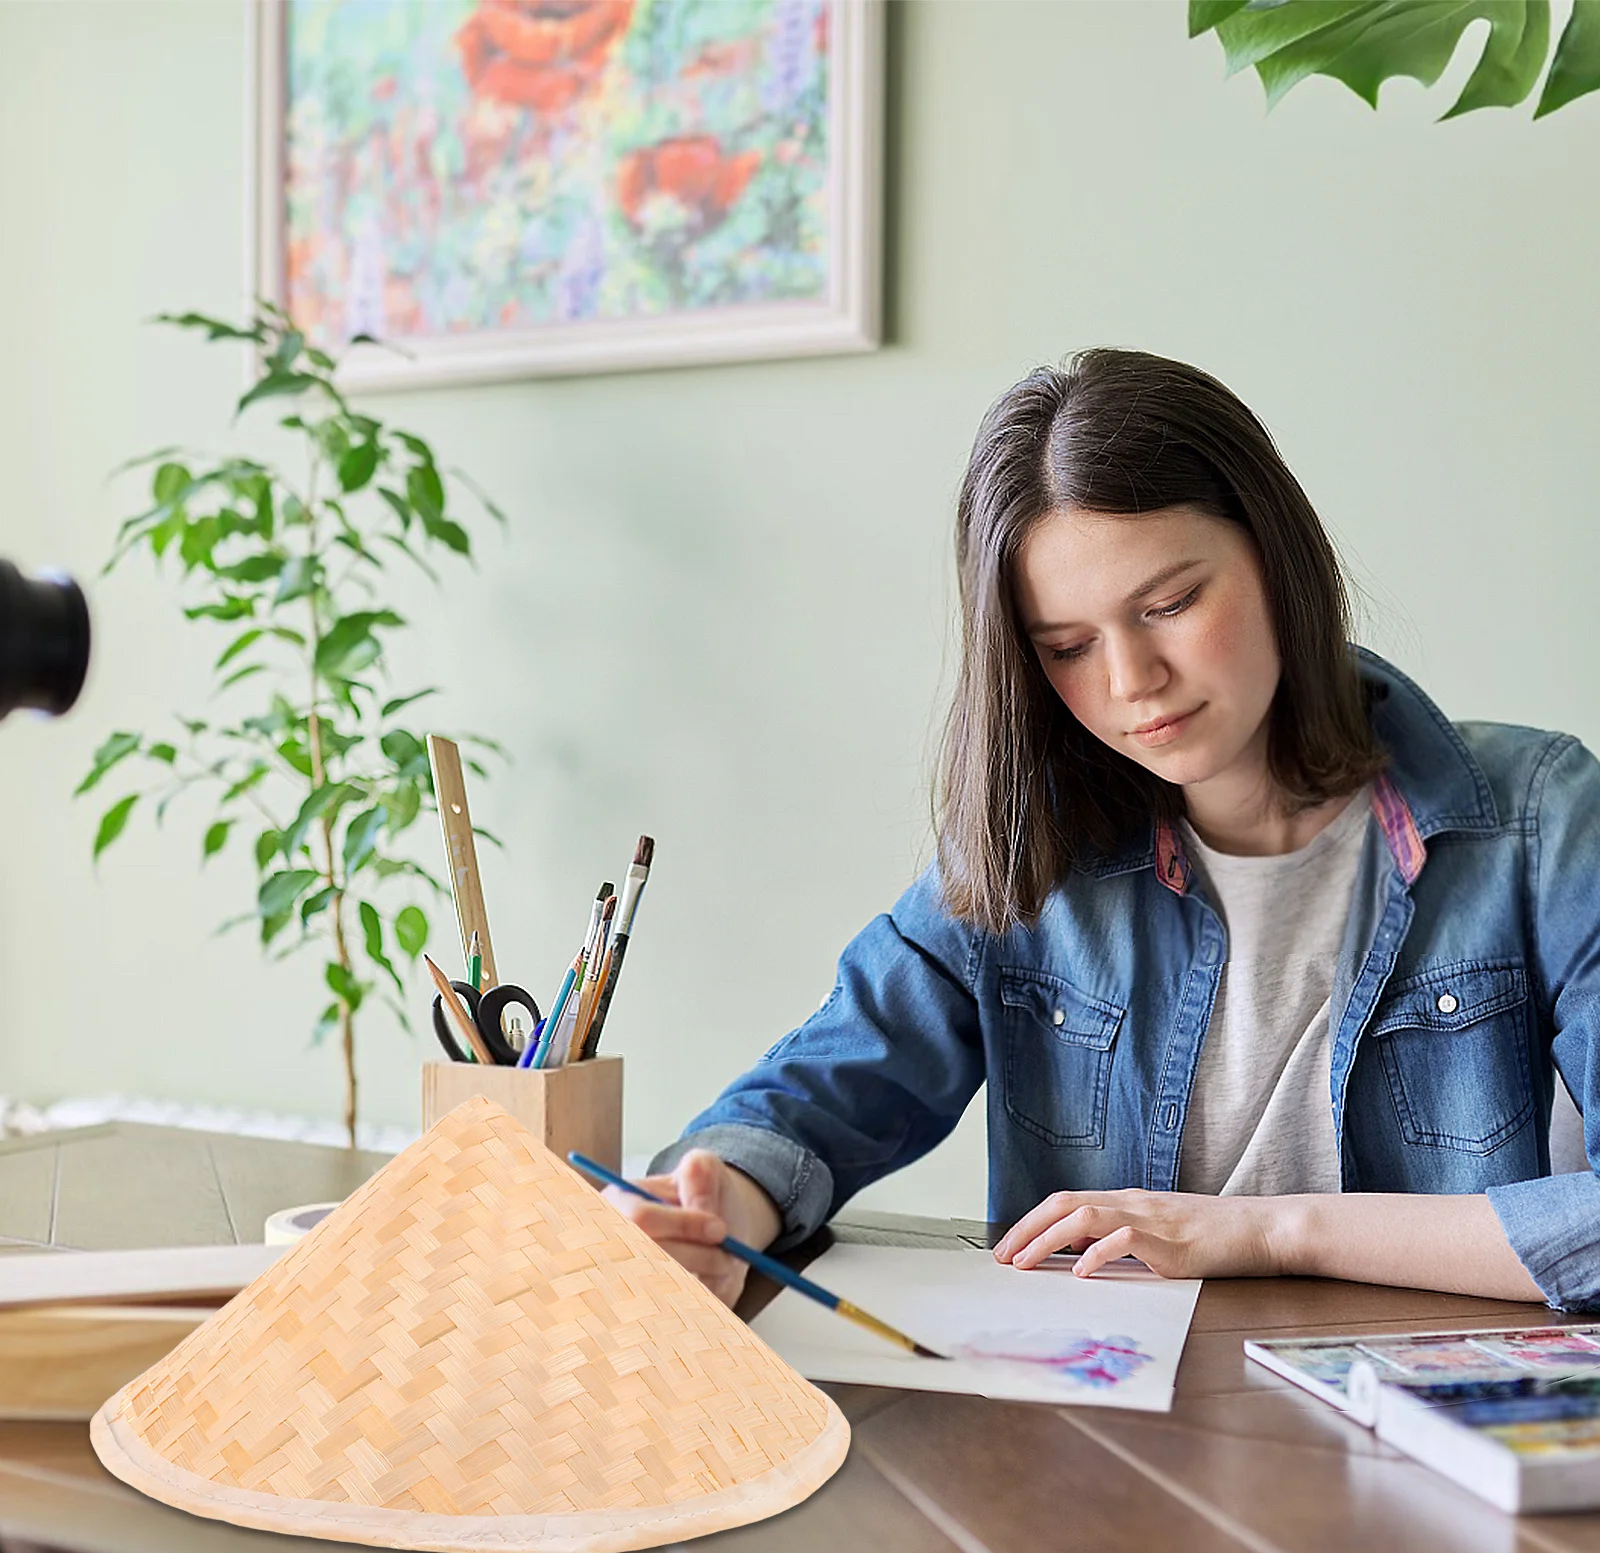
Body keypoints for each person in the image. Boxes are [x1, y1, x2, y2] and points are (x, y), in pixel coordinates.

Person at [606, 349, 1600, 1314]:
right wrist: (713, 1207)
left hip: (1426, 1443)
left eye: (1167, 604)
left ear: (1276, 555)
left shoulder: (1538, 821)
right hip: (1106, 1441)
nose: (1130, 682)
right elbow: (820, 1093)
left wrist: (1267, 1232)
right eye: (1067, 647)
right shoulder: (1035, 844)